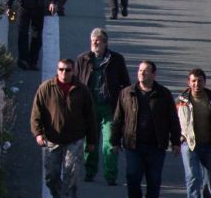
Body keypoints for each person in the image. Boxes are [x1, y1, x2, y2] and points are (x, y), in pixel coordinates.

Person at [111, 60, 182, 197]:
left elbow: (173, 119)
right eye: (140, 70)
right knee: (132, 178)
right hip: (133, 145)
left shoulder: (164, 94)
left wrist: (175, 142)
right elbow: (118, 119)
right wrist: (115, 141)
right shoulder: (127, 93)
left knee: (154, 181)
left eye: (145, 71)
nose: (141, 73)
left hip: (156, 146)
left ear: (154, 74)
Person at [31, 58, 98, 198]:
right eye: (61, 69)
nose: (64, 73)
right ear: (57, 70)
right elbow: (37, 112)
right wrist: (38, 133)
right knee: (51, 176)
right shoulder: (46, 88)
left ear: (73, 71)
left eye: (67, 70)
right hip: (53, 138)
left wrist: (92, 140)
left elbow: (90, 117)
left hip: (75, 139)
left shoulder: (82, 90)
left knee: (71, 175)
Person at [76, 28, 131, 185]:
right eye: (93, 39)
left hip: (109, 107)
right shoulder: (83, 59)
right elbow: (77, 82)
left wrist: (125, 104)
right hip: (89, 107)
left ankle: (110, 175)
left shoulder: (116, 59)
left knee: (110, 142)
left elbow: (126, 84)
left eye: (98, 40)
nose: (94, 42)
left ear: (106, 43)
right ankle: (89, 171)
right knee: (90, 141)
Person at [177, 68, 211, 198]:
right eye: (193, 81)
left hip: (208, 144)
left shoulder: (209, 98)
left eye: (200, 81)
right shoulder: (181, 101)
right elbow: (171, 120)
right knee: (192, 177)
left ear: (205, 82)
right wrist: (177, 139)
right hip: (189, 144)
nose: (197, 84)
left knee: (209, 181)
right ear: (189, 82)